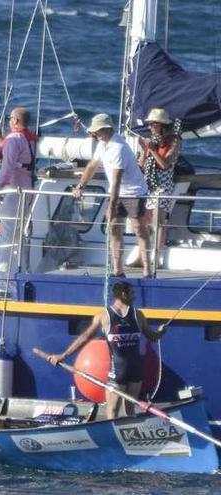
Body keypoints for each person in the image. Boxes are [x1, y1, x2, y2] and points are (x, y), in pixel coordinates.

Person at [48, 281, 168, 419]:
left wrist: (63, 355)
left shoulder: (125, 315)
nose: (135, 297)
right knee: (126, 412)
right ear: (123, 294)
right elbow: (153, 337)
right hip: (133, 370)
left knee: (115, 412)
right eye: (132, 293)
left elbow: (85, 338)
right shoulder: (125, 315)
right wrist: (160, 332)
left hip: (121, 371)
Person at [73, 113, 151, 278]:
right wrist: (81, 185)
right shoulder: (103, 144)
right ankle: (117, 269)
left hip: (134, 192)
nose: (95, 134)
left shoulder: (118, 147)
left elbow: (116, 181)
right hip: (118, 192)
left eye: (98, 131)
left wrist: (110, 207)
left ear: (107, 129)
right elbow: (93, 165)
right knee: (114, 228)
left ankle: (147, 270)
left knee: (139, 229)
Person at [0, 107, 37, 272]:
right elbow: (19, 157)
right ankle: (21, 267)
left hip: (12, 190)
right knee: (19, 232)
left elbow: (8, 165)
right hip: (27, 188)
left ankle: (3, 268)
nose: (9, 121)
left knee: (7, 232)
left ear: (15, 121)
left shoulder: (14, 138)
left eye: (10, 118)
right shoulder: (29, 138)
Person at [137, 108, 181, 268]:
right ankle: (144, 256)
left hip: (163, 185)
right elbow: (142, 165)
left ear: (161, 125)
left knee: (158, 221)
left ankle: (157, 258)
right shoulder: (151, 140)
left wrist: (153, 150)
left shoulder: (174, 142)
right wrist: (144, 151)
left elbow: (165, 164)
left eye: (153, 124)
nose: (150, 127)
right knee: (146, 221)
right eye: (149, 124)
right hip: (149, 185)